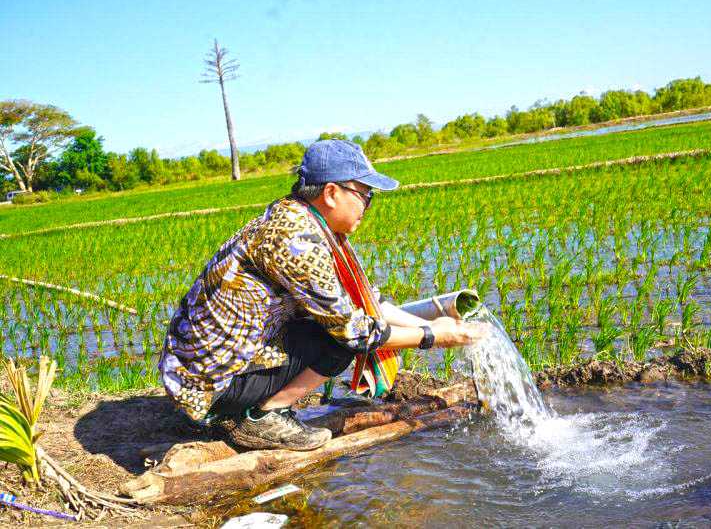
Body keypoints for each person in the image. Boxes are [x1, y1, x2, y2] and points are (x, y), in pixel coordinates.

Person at [158, 139, 486, 451]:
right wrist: (432, 336)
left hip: (203, 369)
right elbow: (356, 332)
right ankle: (261, 418)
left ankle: (249, 409)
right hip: (208, 383)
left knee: (338, 324)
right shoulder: (297, 241)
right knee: (340, 340)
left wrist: (441, 325)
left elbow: (368, 301)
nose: (368, 205)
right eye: (365, 194)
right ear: (331, 192)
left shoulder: (302, 219)